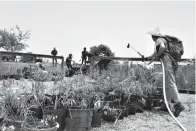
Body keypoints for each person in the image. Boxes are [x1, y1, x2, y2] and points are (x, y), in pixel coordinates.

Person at [143, 28, 185, 117]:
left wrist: (158, 55)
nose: (151, 38)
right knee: (167, 83)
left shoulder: (159, 40)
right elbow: (155, 53)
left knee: (170, 83)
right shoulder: (164, 40)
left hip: (167, 61)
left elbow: (161, 48)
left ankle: (178, 104)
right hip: (170, 61)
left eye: (152, 36)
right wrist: (148, 58)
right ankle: (167, 105)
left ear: (154, 36)